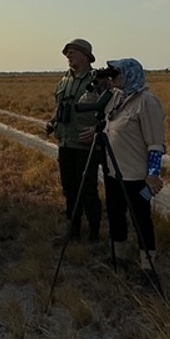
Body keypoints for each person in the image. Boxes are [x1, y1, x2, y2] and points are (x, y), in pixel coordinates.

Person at [100, 58, 166, 272]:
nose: (113, 78)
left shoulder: (147, 102)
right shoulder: (116, 98)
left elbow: (156, 144)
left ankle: (148, 267)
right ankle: (118, 259)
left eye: (117, 73)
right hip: (113, 172)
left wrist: (153, 174)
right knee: (115, 216)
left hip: (136, 176)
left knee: (141, 220)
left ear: (130, 74)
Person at [45, 39, 110, 242]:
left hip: (86, 145)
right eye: (67, 53)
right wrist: (52, 122)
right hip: (65, 142)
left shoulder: (99, 80)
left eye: (72, 52)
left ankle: (94, 232)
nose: (68, 56)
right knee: (69, 189)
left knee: (87, 189)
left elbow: (111, 110)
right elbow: (61, 106)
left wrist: (97, 129)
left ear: (85, 55)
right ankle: (73, 230)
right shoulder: (64, 80)